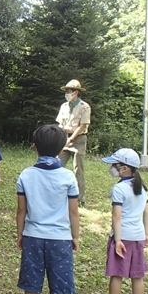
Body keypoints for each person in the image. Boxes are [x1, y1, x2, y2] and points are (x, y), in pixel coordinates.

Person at [16, 124, 80, 294]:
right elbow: (73, 211)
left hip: (33, 236)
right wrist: (75, 236)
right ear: (62, 148)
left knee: (32, 284)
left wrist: (20, 233)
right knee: (60, 287)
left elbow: (21, 210)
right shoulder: (68, 177)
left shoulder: (26, 175)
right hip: (60, 239)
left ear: (34, 147)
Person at [102, 149, 148, 294]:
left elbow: (117, 216)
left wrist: (118, 240)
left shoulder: (119, 188)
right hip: (137, 236)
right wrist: (146, 234)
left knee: (117, 274)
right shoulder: (142, 187)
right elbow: (147, 211)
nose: (112, 169)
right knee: (138, 275)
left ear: (123, 169)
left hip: (123, 237)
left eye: (114, 166)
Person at [56, 79, 91, 207]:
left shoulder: (84, 106)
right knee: (57, 164)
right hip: (65, 137)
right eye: (66, 91)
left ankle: (80, 198)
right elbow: (60, 123)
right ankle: (57, 193)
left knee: (78, 169)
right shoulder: (64, 106)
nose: (66, 93)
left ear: (76, 92)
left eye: (69, 91)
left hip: (79, 139)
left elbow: (82, 126)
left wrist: (71, 139)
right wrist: (61, 137)